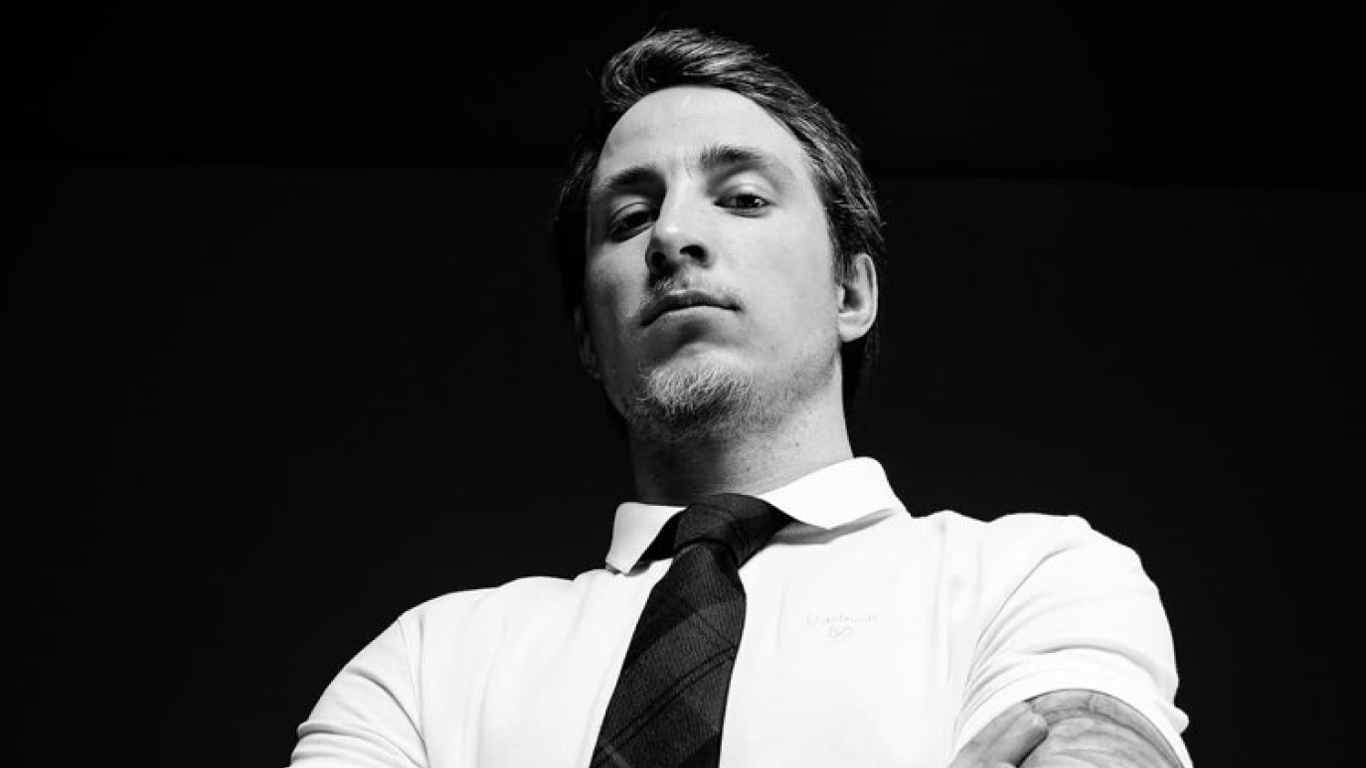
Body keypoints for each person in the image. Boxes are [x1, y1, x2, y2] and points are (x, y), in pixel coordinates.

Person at [287, 27, 1192, 768]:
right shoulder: (421, 670)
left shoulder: (1039, 581)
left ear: (850, 292)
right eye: (629, 218)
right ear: (588, 340)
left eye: (745, 199)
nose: (673, 234)